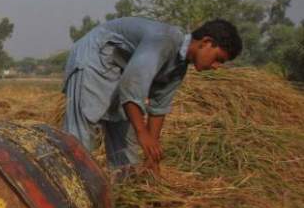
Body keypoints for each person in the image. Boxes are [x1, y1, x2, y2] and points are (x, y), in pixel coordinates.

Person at [63, 17, 241, 175]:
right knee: (81, 137)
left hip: (120, 69)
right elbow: (131, 87)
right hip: (97, 57)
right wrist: (142, 133)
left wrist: (152, 154)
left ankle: (122, 193)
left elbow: (158, 107)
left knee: (127, 153)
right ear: (206, 42)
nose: (217, 66)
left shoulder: (179, 67)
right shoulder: (165, 40)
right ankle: (70, 188)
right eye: (218, 59)